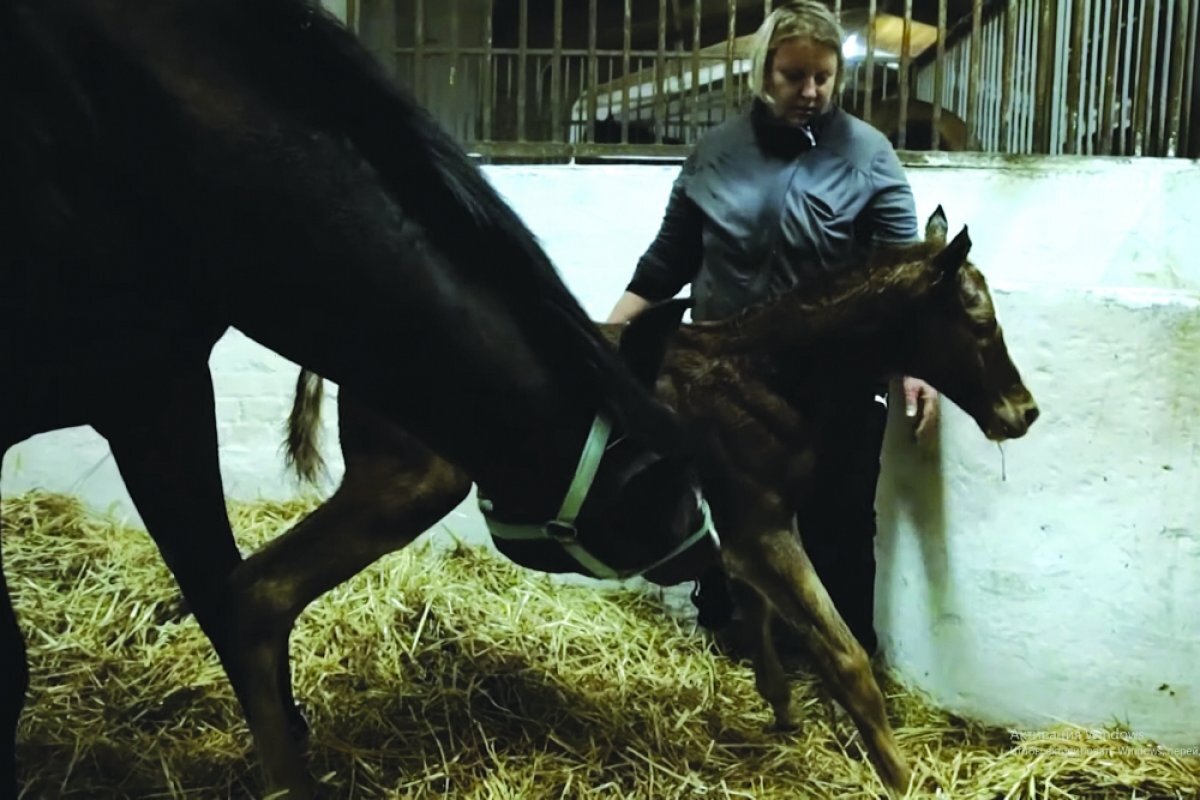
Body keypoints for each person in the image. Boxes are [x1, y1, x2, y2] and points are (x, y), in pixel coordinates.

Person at [605, 0, 937, 656]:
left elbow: (904, 276)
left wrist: (916, 363)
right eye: (793, 76)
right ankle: (739, 659)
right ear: (763, 72)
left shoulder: (870, 157)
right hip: (728, 390)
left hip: (837, 389)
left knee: (840, 530)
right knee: (738, 528)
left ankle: (849, 668)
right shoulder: (715, 155)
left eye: (823, 76)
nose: (810, 91)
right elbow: (668, 261)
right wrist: (607, 339)